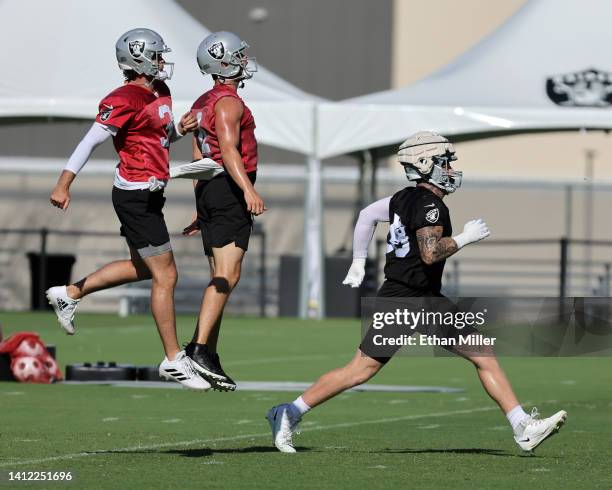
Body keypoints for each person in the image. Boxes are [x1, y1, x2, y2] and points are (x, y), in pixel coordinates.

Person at [267, 131, 567, 453]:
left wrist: (358, 260)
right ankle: (289, 411)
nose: (451, 169)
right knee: (360, 370)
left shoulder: (403, 198)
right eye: (445, 162)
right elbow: (430, 253)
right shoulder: (431, 206)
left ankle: (522, 426)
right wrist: (465, 238)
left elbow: (368, 215)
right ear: (426, 164)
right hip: (404, 299)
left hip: (424, 297)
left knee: (482, 353)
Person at [46, 28, 209, 390]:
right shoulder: (123, 97)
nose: (164, 61)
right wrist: (63, 182)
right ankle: (172, 359)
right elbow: (90, 141)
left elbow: (156, 138)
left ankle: (68, 294)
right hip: (134, 196)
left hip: (152, 194)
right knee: (166, 275)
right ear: (139, 60)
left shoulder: (160, 91)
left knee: (142, 268)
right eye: (157, 55)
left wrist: (179, 131)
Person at [181, 32, 264, 391]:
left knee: (222, 275)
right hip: (229, 189)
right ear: (225, 62)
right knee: (226, 276)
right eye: (240, 56)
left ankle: (208, 353)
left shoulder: (203, 101)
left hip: (211, 189)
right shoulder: (229, 102)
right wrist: (248, 190)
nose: (246, 60)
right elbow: (228, 151)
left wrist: (201, 204)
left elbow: (199, 157)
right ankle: (198, 349)